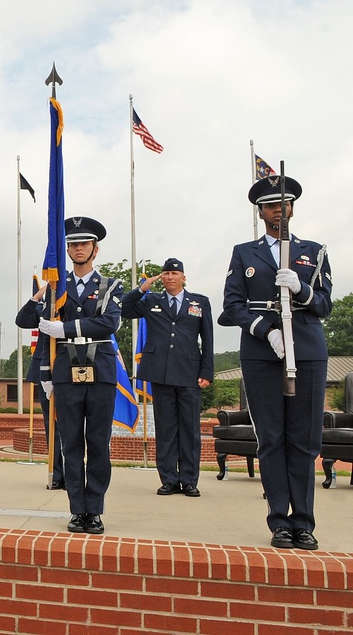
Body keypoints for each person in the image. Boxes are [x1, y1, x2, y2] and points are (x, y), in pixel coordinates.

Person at [219, 173, 332, 551]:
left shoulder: (314, 251)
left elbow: (325, 305)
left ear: (292, 208)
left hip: (308, 349)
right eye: (270, 205)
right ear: (261, 211)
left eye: (283, 204)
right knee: (271, 439)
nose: (277, 210)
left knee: (304, 441)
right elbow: (232, 305)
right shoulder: (244, 252)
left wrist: (302, 289)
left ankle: (304, 522)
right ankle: (279, 522)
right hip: (262, 351)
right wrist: (265, 330)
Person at [30, 216, 123, 535]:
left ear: (95, 249)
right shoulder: (56, 287)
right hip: (66, 370)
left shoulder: (110, 285)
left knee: (98, 442)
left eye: (83, 243)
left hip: (100, 369)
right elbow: (40, 329)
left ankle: (94, 509)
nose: (78, 248)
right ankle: (76, 509)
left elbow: (109, 323)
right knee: (70, 443)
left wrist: (67, 328)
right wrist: (45, 371)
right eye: (72, 244)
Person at [121, 258, 214, 497]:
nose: (169, 277)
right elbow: (124, 309)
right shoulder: (152, 300)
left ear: (183, 277)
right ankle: (169, 479)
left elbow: (208, 339)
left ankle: (190, 480)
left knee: (190, 429)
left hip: (189, 373)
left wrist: (206, 371)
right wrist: (142, 289)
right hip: (160, 373)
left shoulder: (199, 302)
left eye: (174, 273)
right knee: (166, 429)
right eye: (165, 273)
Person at [16, 281, 65, 489]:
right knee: (50, 425)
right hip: (44, 368)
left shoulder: (71, 303)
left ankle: (72, 473)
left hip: (68, 367)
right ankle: (56, 473)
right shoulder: (44, 307)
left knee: (71, 426)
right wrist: (38, 296)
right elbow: (22, 320)